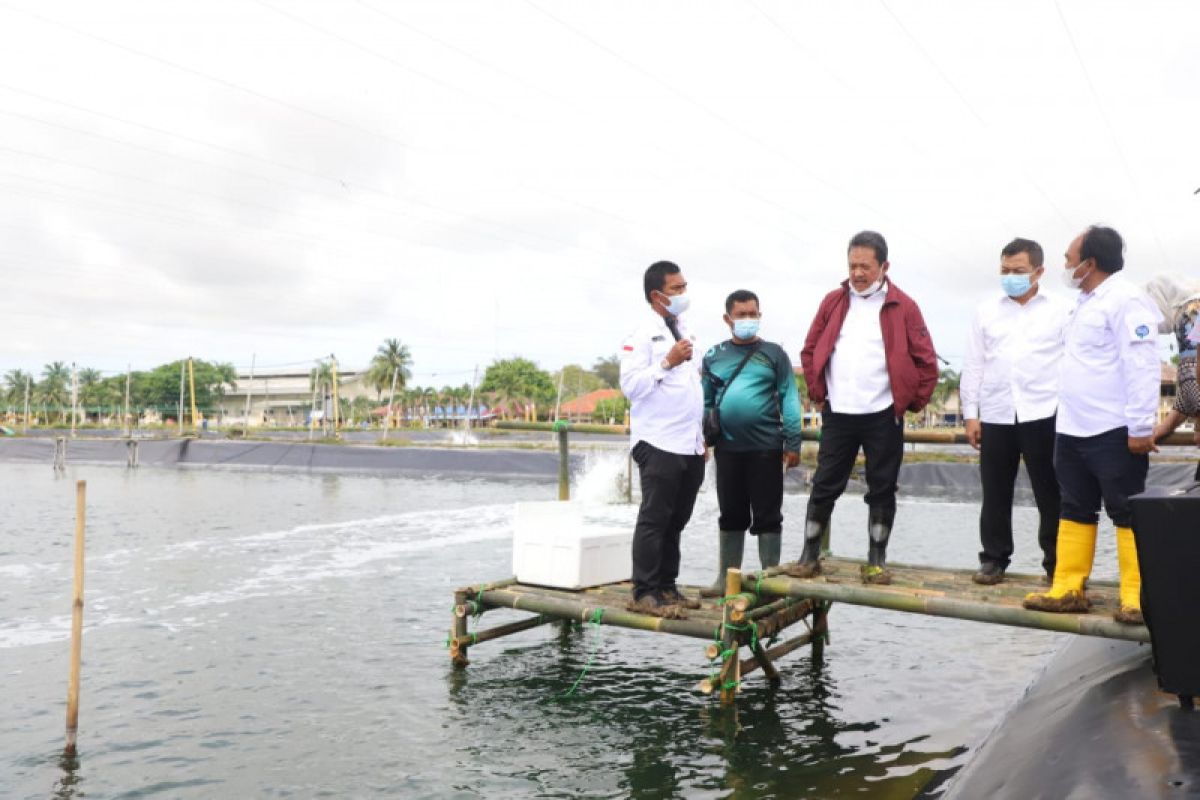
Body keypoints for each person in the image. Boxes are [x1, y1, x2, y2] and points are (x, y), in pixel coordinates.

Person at [1024, 226, 1161, 624]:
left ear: (1090, 263)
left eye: (1069, 260)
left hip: (1113, 429)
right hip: (1071, 429)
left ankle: (1136, 596)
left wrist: (1139, 427)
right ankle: (1068, 587)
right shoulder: (1083, 302)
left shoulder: (1127, 300)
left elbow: (1141, 365)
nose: (1066, 267)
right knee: (1074, 506)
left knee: (1126, 510)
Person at [785, 231, 939, 584]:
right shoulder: (833, 302)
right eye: (852, 265)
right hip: (839, 412)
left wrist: (911, 401)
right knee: (825, 484)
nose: (857, 273)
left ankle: (876, 560)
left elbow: (926, 361)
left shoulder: (905, 306)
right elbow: (810, 351)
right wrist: (818, 390)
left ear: (884, 266)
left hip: (884, 412)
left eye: (865, 266)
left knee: (882, 487)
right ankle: (809, 555)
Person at [960, 238, 1070, 585]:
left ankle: (1056, 564)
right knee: (995, 491)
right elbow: (974, 364)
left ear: (1039, 271)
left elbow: (1072, 363)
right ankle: (993, 559)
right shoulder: (985, 311)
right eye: (1005, 271)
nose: (1010, 277)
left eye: (1019, 271)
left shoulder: (1062, 309)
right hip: (996, 412)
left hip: (1045, 409)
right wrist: (970, 414)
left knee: (1050, 492)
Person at [698, 290, 803, 597]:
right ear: (727, 319)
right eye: (741, 314)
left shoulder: (774, 354)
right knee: (730, 515)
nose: (748, 319)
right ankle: (725, 581)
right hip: (727, 449)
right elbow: (704, 402)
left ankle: (769, 583)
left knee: (768, 516)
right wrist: (701, 439)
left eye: (753, 314)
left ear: (760, 316)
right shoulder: (713, 355)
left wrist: (793, 441)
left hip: (767, 448)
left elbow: (790, 398)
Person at [619, 260, 706, 617]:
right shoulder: (640, 335)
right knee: (655, 518)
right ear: (657, 295)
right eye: (677, 289)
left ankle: (667, 586)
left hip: (689, 443)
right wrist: (666, 362)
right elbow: (631, 387)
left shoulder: (683, 329)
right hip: (657, 442)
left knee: (677, 518)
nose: (684, 294)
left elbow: (692, 387)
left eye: (685, 287)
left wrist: (702, 440)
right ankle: (644, 592)